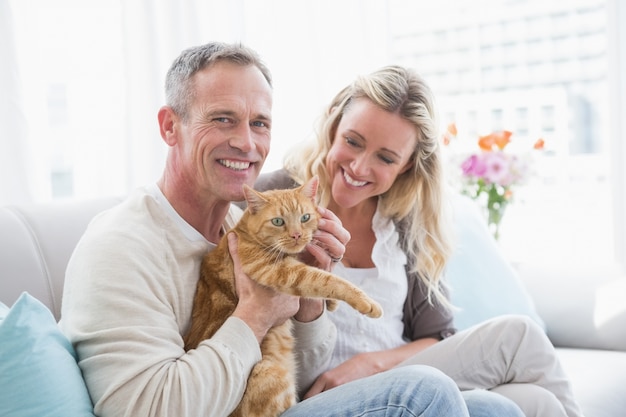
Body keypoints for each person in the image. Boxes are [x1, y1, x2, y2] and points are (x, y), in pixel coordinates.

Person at [58, 42, 517, 417]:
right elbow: (144, 409)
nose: (247, 142)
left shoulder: (248, 224)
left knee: (497, 411)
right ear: (169, 126)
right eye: (223, 119)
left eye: (260, 123)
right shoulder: (121, 245)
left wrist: (309, 301)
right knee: (426, 392)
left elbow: (298, 376)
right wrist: (255, 315)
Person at [253, 65, 586, 417]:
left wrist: (372, 364)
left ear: (407, 165)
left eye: (385, 158)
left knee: (536, 404)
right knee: (519, 336)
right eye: (353, 141)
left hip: (400, 382)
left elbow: (436, 335)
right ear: (334, 127)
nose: (359, 168)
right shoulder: (271, 201)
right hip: (327, 394)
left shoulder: (403, 222)